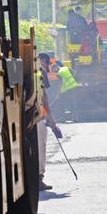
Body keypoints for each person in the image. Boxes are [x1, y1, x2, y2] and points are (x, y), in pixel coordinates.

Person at [38, 52, 62, 191]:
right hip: (36, 118)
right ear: (43, 61)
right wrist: (52, 122)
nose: (46, 66)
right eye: (46, 63)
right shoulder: (39, 71)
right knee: (41, 146)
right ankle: (39, 178)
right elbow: (44, 97)